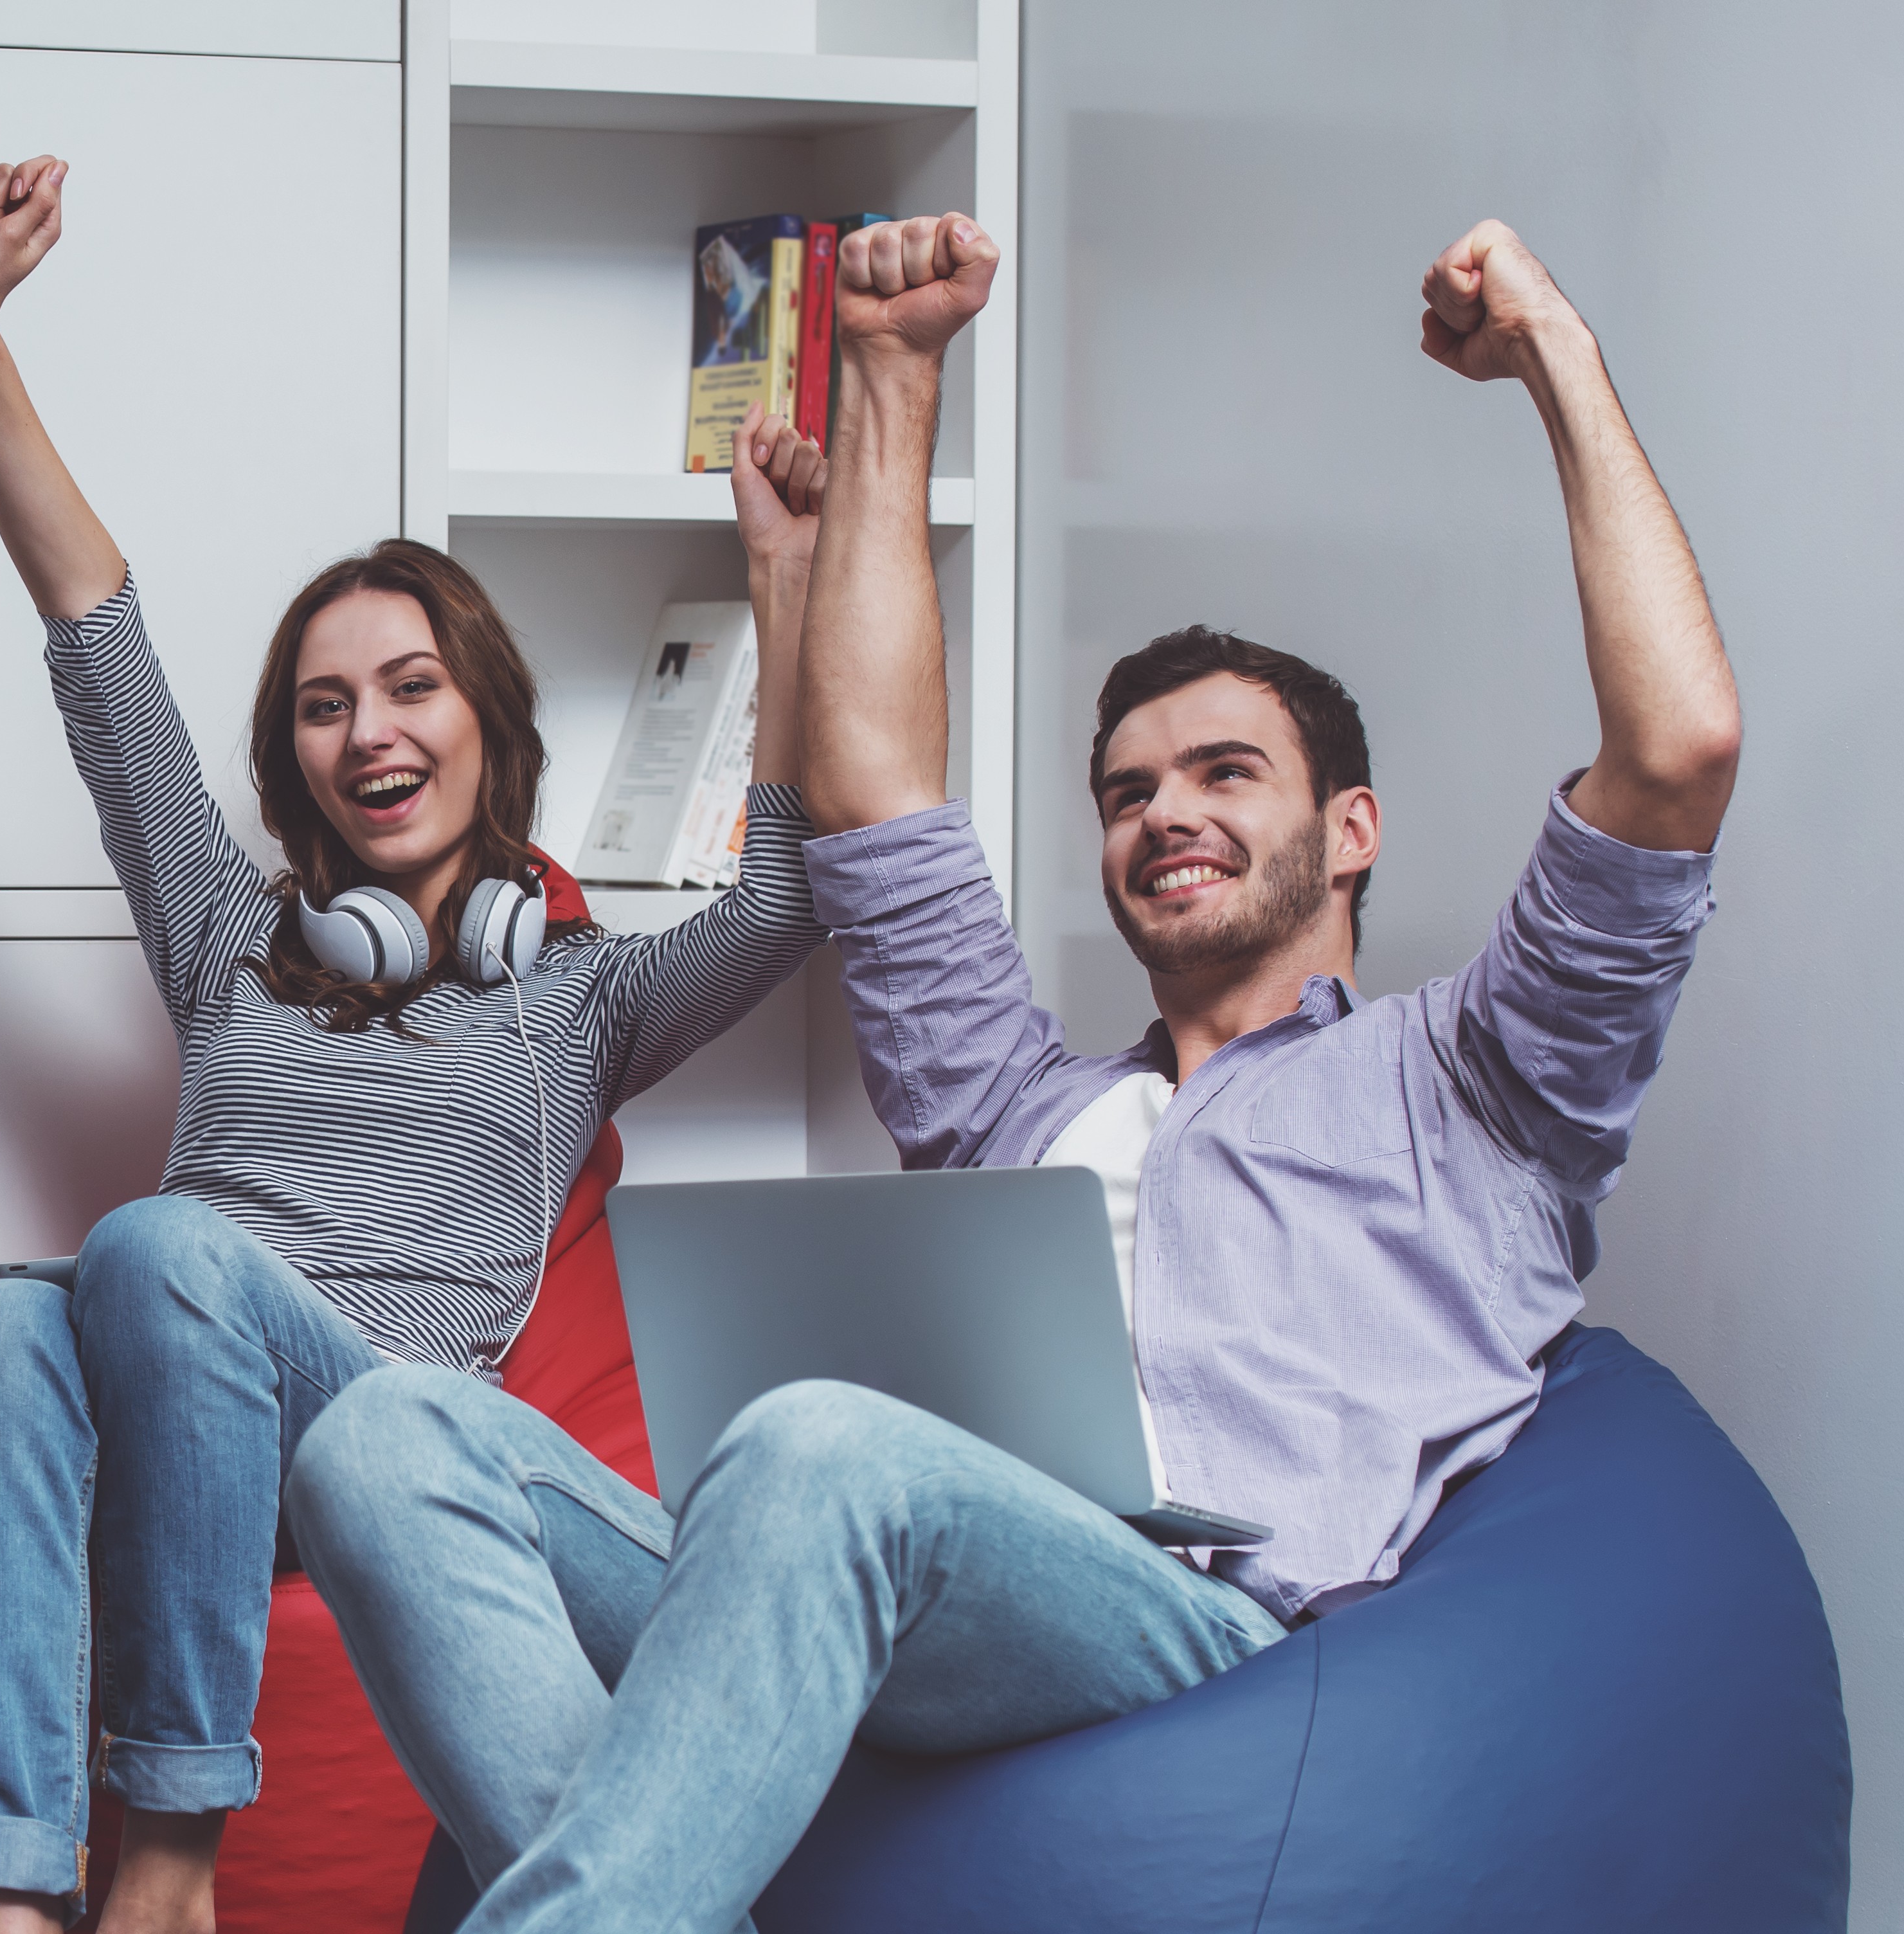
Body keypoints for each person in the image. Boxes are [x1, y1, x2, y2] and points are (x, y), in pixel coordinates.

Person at [285, 208, 1741, 1934]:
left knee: (820, 1444)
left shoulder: (1486, 1085)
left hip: (1191, 1624)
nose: (1166, 816)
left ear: (1350, 833)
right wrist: (894, 377)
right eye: (1128, 793)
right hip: (893, 1574)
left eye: (1223, 774)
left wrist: (1556, 361)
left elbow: (1678, 751)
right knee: (382, 1435)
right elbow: (879, 795)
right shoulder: (1021, 1103)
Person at [0, 157, 834, 1934]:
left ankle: (166, 1862)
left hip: (377, 1446)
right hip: (153, 1437)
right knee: (0, 1327)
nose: (367, 729)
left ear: (487, 722)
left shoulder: (581, 994)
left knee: (163, 1242)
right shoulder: (226, 940)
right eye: (325, 705)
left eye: (410, 686)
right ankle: (12, 1902)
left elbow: (790, 895)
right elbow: (100, 652)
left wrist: (782, 577)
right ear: (295, 766)